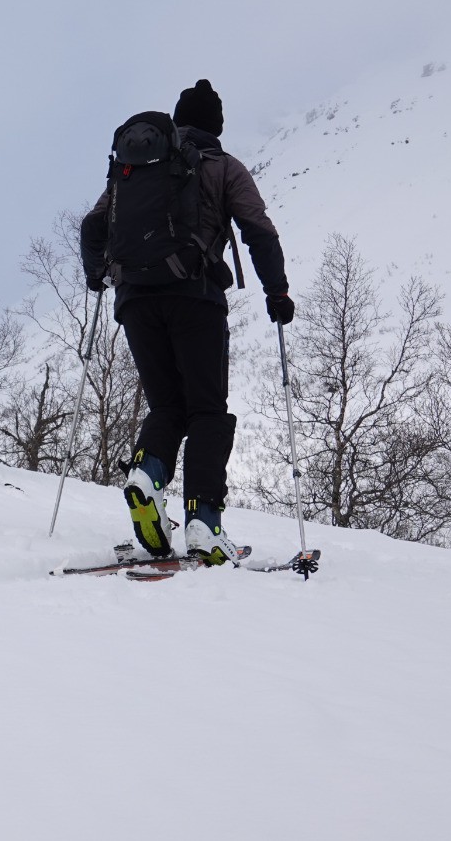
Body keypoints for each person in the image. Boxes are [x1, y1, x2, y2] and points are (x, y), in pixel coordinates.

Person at [79, 80, 293, 565]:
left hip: (134, 300)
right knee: (207, 411)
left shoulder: (134, 170)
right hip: (195, 298)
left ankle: (146, 475)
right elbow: (258, 231)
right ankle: (204, 523)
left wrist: (97, 275)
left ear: (175, 124)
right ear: (216, 126)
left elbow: (94, 226)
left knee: (167, 407)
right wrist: (276, 292)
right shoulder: (223, 166)